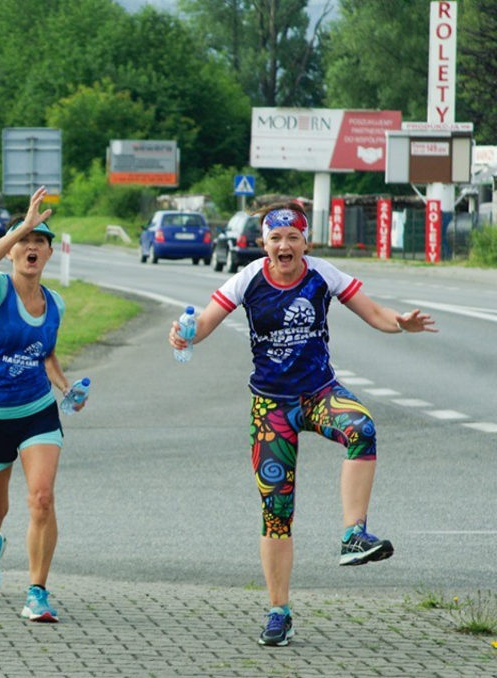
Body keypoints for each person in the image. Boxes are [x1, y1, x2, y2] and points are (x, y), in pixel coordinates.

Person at [167, 201, 437, 646]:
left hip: (318, 395)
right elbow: (206, 323)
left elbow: (374, 314)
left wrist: (400, 324)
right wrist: (184, 333)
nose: (284, 245)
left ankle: (353, 535)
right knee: (276, 513)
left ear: (305, 243)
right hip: (271, 409)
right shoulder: (248, 278)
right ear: (263, 245)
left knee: (362, 428)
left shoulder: (322, 274)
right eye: (276, 238)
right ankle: (278, 612)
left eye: (293, 237)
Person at [0, 186, 83, 623]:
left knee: (42, 498)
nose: (32, 247)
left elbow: (45, 353)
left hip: (36, 411)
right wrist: (24, 224)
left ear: (49, 253)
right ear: (11, 252)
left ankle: (37, 592)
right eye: (24, 242)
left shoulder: (56, 303)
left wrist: (66, 388)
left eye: (39, 242)